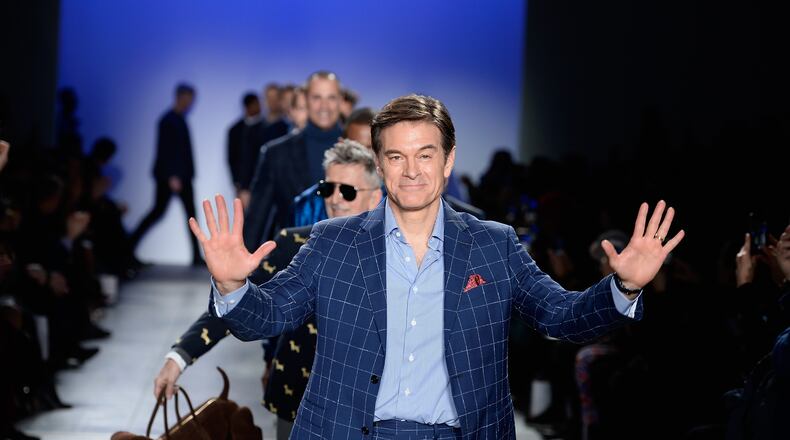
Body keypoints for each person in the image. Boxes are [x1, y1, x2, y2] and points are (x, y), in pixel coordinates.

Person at [192, 94, 684, 439]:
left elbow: (561, 316)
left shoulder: (494, 244)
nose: (411, 170)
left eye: (425, 155)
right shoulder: (332, 241)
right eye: (396, 156)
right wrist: (233, 284)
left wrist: (622, 287)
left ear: (448, 161)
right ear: (380, 165)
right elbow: (268, 316)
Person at [154, 140, 382, 440]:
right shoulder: (295, 243)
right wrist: (180, 356)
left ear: (375, 197)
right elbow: (240, 304)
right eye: (328, 188)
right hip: (296, 398)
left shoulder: (392, 254)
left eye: (348, 191)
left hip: (368, 409)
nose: (336, 199)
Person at [243, 71, 343, 248]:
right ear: (306, 99)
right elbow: (256, 221)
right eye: (317, 97)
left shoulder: (362, 149)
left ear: (340, 100)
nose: (324, 106)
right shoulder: (276, 154)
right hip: (292, 258)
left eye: (331, 97)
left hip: (348, 258)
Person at [130, 83, 202, 265]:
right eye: (188, 99)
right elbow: (166, 150)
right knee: (158, 212)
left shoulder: (178, 119)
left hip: (182, 175)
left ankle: (196, 256)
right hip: (172, 176)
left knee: (189, 215)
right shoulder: (168, 120)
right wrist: (172, 176)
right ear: (180, 97)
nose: (190, 103)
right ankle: (127, 247)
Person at [227, 92, 266, 195]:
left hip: (264, 180)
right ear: (247, 106)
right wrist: (236, 182)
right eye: (256, 104)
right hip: (243, 181)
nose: (260, 107)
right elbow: (232, 157)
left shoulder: (267, 127)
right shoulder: (235, 130)